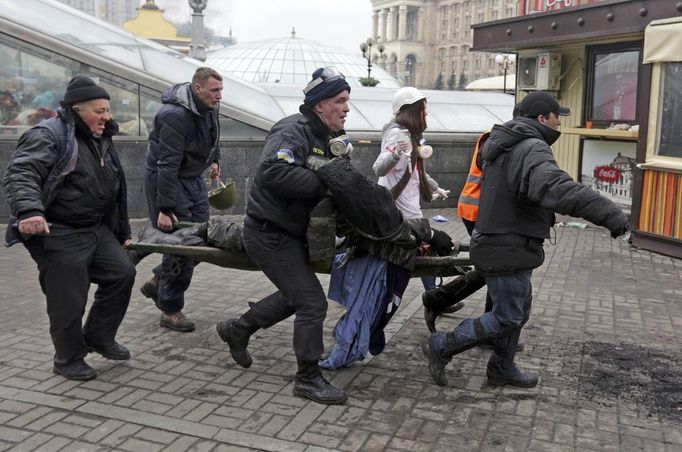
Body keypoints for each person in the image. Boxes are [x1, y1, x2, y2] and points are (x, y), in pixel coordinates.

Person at [421, 91, 629, 388]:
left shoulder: (507, 144)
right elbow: (554, 187)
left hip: (505, 240)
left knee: (518, 310)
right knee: (506, 316)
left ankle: (502, 368)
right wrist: (610, 214)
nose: (560, 123)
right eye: (558, 116)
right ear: (542, 118)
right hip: (508, 242)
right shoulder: (531, 147)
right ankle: (442, 345)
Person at [215, 67, 351, 405]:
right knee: (311, 302)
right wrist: (328, 181)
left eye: (348, 100)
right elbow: (274, 172)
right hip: (268, 232)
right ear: (320, 105)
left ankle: (239, 328)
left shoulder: (328, 137)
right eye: (341, 100)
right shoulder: (293, 130)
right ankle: (307, 377)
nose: (347, 108)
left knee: (295, 295)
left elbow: (343, 178)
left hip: (293, 234)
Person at [3, 75, 136, 381]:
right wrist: (30, 211)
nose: (107, 117)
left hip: (94, 227)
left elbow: (117, 188)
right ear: (77, 110)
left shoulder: (100, 136)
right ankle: (68, 358)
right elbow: (22, 172)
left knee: (122, 273)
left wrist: (122, 232)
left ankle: (99, 336)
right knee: (68, 298)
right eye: (100, 111)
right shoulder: (50, 135)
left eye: (108, 110)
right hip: (57, 229)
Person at [141, 67, 223, 332]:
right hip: (169, 179)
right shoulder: (174, 115)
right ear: (197, 89)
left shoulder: (208, 105)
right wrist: (165, 208)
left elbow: (213, 133)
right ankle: (170, 310)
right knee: (182, 245)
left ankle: (157, 281)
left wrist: (215, 159)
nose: (219, 96)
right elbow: (167, 163)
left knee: (202, 240)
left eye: (221, 90)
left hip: (191, 178)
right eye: (214, 91)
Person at [373, 87, 451, 291]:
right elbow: (379, 169)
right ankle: (433, 296)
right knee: (420, 248)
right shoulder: (397, 136)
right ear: (411, 111)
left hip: (408, 204)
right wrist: (396, 154)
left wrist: (437, 187)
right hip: (401, 209)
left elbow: (416, 172)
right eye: (422, 110)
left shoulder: (410, 135)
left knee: (423, 249)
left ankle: (434, 295)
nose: (426, 114)